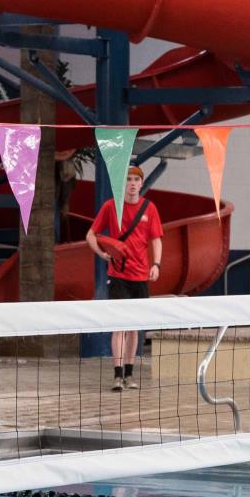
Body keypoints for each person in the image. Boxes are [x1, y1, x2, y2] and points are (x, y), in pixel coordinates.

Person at [85, 164, 163, 392]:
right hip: (118, 275)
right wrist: (100, 253)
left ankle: (129, 373)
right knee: (119, 325)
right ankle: (117, 375)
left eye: (136, 180)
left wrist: (156, 264)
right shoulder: (111, 207)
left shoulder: (150, 208)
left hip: (140, 276)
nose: (132, 183)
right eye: (127, 179)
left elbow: (156, 238)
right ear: (123, 184)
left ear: (141, 183)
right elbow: (91, 234)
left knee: (134, 327)